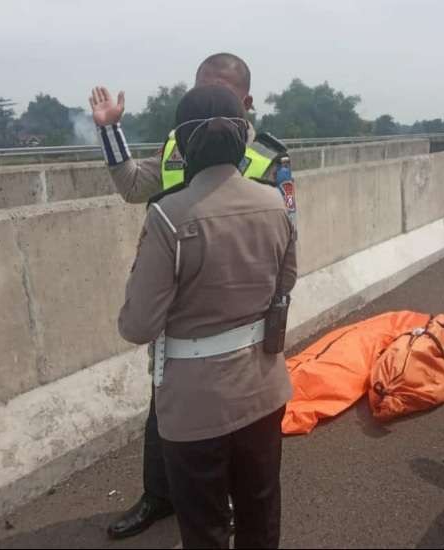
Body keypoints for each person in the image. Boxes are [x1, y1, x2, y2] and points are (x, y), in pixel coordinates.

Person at [89, 53, 295, 540]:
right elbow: (135, 185)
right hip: (186, 343)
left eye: (219, 94)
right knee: (249, 498)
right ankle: (158, 497)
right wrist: (109, 132)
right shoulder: (176, 153)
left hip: (228, 342)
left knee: (214, 505)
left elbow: (136, 322)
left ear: (245, 102)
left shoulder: (269, 161)